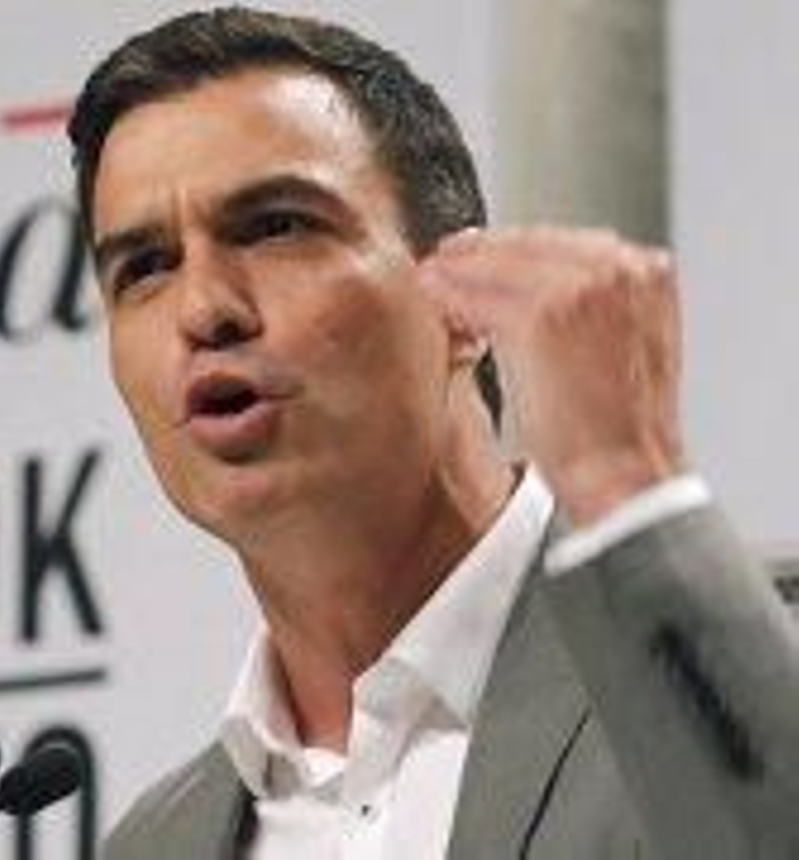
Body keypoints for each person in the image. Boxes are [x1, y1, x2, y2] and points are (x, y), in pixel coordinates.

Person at [67, 7, 799, 858]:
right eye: (145, 267)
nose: (204, 309)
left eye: (274, 227)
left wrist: (628, 485)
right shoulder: (153, 844)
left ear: (464, 299)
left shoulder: (743, 666)